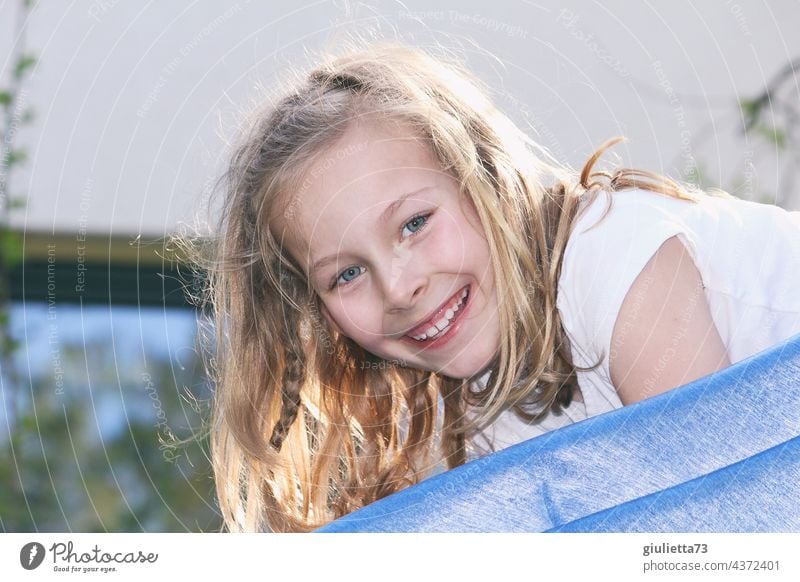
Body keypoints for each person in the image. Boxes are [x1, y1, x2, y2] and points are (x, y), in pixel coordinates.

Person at [183, 42, 800, 532]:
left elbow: (728, 525)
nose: (399, 287)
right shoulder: (459, 409)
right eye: (346, 274)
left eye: (415, 224)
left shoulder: (612, 263)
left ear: (488, 181)